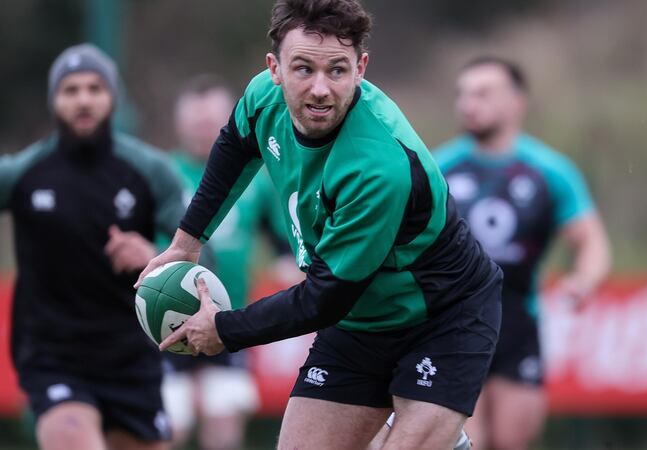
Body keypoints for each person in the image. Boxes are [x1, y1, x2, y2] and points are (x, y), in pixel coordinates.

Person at [136, 0, 503, 448]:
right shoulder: (263, 97)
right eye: (303, 69)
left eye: (337, 71)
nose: (320, 89)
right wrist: (187, 241)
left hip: (443, 315)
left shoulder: (378, 169)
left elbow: (323, 300)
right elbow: (235, 143)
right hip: (360, 321)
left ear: (361, 68)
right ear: (274, 68)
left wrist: (225, 330)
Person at [0, 44, 185, 450]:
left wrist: (153, 255)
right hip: (53, 356)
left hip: (131, 358)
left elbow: (203, 257)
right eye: (70, 90)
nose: (83, 99)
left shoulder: (151, 172)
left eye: (94, 88)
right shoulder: (22, 174)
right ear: (54, 101)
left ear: (112, 97)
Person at [435, 56, 612, 450]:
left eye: (482, 93)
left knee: (514, 440)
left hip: (518, 324)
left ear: (517, 102)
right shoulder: (437, 168)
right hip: (452, 324)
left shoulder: (550, 171)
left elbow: (591, 242)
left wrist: (584, 281)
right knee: (466, 443)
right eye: (462, 94)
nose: (468, 103)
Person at [162, 74, 289, 450]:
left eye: (211, 121)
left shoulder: (258, 178)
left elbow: (285, 243)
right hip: (165, 322)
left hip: (229, 320)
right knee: (171, 425)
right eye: (195, 121)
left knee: (224, 425)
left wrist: (285, 265)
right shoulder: (160, 173)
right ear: (178, 122)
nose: (203, 129)